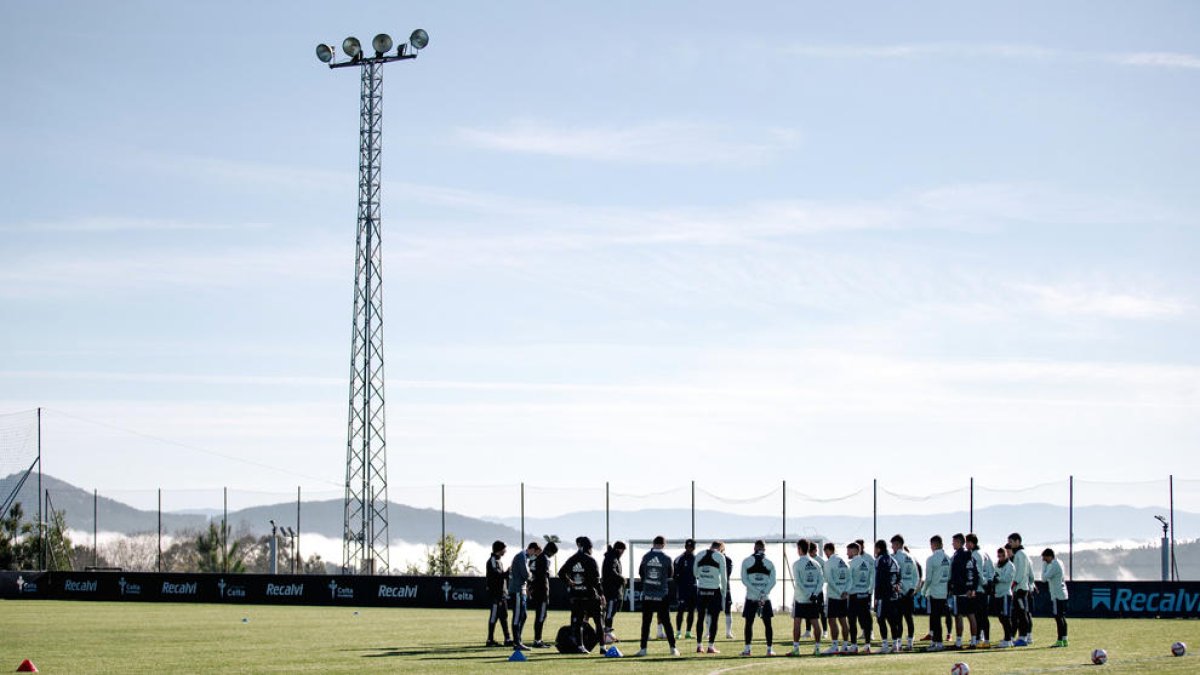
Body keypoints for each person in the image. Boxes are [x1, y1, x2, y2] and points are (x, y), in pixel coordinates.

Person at [558, 536, 605, 654]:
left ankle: (580, 646)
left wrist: (570, 582)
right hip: (591, 596)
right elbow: (596, 580)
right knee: (598, 622)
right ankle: (603, 647)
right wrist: (601, 594)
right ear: (589, 547)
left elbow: (561, 573)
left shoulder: (572, 559)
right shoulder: (591, 560)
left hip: (577, 596)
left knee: (578, 623)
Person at [635, 536, 680, 657]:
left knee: (646, 623)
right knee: (667, 622)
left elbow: (641, 572)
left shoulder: (646, 556)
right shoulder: (667, 558)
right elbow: (670, 574)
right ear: (664, 545)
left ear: (653, 543)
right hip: (662, 594)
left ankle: (643, 649)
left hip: (648, 594)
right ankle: (673, 648)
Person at [739, 540, 777, 656]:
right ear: (764, 549)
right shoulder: (770, 562)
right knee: (767, 624)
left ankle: (747, 650)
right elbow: (773, 581)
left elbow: (745, 580)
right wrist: (763, 593)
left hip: (751, 597)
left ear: (754, 548)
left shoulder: (746, 561)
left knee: (749, 623)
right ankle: (769, 650)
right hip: (765, 598)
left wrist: (756, 591)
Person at [791, 538, 825, 656]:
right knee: (815, 623)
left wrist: (809, 594)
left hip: (801, 599)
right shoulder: (816, 563)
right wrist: (814, 593)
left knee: (797, 623)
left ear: (799, 549)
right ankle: (817, 648)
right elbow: (821, 581)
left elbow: (799, 583)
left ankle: (796, 649)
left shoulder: (797, 564)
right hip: (813, 599)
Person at [694, 540, 729, 654]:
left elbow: (695, 573)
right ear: (721, 548)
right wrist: (724, 591)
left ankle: (699, 646)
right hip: (714, 590)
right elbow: (724, 577)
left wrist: (703, 578)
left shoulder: (699, 554)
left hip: (701, 590)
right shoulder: (720, 557)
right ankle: (710, 646)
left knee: (700, 618)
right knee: (714, 619)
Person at [948, 533, 979, 649]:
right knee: (971, 615)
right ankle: (974, 642)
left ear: (959, 542)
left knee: (958, 616)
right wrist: (973, 588)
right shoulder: (970, 556)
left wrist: (959, 588)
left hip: (960, 591)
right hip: (970, 591)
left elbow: (957, 575)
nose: (952, 544)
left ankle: (959, 642)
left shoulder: (958, 556)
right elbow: (976, 574)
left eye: (954, 542)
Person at [921, 534, 951, 652]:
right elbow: (949, 576)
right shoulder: (948, 558)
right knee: (937, 618)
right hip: (943, 592)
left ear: (934, 545)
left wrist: (923, 591)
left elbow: (928, 578)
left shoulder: (931, 559)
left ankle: (938, 643)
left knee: (935, 619)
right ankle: (935, 642)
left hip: (934, 592)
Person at [891, 536, 921, 651]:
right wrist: (913, 589)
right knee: (909, 618)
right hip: (910, 593)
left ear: (898, 544)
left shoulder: (895, 557)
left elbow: (896, 575)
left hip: (900, 592)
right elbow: (916, 575)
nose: (892, 547)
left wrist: (899, 588)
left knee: (898, 619)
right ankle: (910, 643)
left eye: (893, 545)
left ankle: (898, 643)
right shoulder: (911, 557)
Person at [823, 541, 852, 654]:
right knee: (843, 620)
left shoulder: (829, 562)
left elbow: (830, 580)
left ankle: (835, 645)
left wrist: (840, 591)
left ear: (828, 550)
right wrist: (846, 591)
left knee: (832, 620)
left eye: (826, 552)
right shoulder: (845, 561)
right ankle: (844, 645)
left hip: (834, 596)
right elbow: (850, 579)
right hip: (844, 596)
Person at [509, 541, 539, 650]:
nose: (534, 556)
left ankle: (518, 640)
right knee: (517, 616)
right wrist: (531, 575)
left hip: (522, 590)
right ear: (531, 549)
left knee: (523, 615)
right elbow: (526, 574)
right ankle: (517, 643)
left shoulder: (525, 557)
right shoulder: (521, 556)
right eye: (535, 553)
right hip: (517, 590)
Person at [873, 539, 902, 653]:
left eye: (875, 548)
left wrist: (877, 597)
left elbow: (880, 579)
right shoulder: (894, 560)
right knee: (892, 620)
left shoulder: (880, 560)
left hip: (883, 595)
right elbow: (899, 575)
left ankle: (885, 645)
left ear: (879, 548)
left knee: (881, 619)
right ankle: (895, 644)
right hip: (893, 595)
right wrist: (897, 585)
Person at [965, 533, 993, 648]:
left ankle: (979, 639)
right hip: (984, 589)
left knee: (978, 616)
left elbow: (977, 573)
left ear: (971, 543)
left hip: (979, 590)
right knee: (983, 616)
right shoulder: (985, 553)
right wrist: (989, 582)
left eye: (967, 542)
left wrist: (983, 584)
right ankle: (985, 639)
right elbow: (991, 570)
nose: (966, 545)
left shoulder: (975, 555)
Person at [528, 541, 558, 648]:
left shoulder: (536, 558)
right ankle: (537, 640)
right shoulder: (544, 558)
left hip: (537, 591)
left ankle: (538, 639)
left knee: (541, 615)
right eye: (553, 553)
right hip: (542, 592)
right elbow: (541, 577)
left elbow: (533, 573)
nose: (552, 555)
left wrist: (531, 587)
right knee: (541, 616)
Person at [1008, 532, 1035, 646]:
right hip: (1021, 588)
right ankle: (1026, 637)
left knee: (1021, 614)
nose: (1010, 544)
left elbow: (1020, 572)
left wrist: (1014, 583)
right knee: (1022, 614)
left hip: (1020, 589)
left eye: (1011, 542)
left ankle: (1023, 638)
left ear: (1018, 541)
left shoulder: (1020, 554)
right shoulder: (1021, 554)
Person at [846, 541, 873, 653]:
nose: (847, 553)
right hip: (865, 595)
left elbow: (849, 580)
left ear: (855, 550)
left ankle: (854, 645)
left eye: (848, 550)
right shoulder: (866, 563)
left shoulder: (851, 564)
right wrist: (868, 590)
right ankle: (867, 645)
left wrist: (846, 591)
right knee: (866, 620)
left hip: (854, 595)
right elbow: (871, 579)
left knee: (852, 621)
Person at [486, 540, 513, 647]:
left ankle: (507, 639)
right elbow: (497, 575)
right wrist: (507, 572)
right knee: (494, 616)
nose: (505, 551)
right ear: (499, 550)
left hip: (502, 594)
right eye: (504, 549)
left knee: (503, 616)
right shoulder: (493, 560)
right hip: (495, 595)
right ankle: (490, 640)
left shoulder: (498, 561)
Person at [601, 541, 627, 644]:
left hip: (615, 591)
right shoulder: (611, 558)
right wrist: (622, 578)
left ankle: (608, 633)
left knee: (611, 612)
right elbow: (611, 572)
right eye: (623, 550)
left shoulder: (614, 558)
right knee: (609, 613)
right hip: (611, 591)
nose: (623, 552)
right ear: (619, 549)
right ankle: (606, 634)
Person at [1042, 548, 1069, 648]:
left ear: (1049, 556)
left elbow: (1044, 578)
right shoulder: (1059, 562)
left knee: (1058, 618)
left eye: (1045, 559)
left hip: (1057, 595)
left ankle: (1059, 640)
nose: (1044, 561)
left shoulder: (1053, 565)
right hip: (1063, 593)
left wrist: (1044, 566)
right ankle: (1065, 639)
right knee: (1062, 617)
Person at [992, 546, 1016, 648]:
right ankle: (1007, 637)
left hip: (1006, 594)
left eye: (1002, 555)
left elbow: (1007, 578)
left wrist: (998, 579)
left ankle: (1009, 639)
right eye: (999, 556)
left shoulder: (1010, 566)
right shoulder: (997, 565)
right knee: (1001, 618)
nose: (1000, 557)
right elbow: (994, 575)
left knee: (1006, 617)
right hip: (998, 594)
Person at [673, 539, 697, 639]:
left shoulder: (696, 559)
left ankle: (688, 632)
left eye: (691, 547)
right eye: (688, 547)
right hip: (683, 589)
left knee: (691, 611)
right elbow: (674, 575)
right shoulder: (679, 559)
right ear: (685, 547)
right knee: (681, 610)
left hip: (693, 589)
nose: (689, 549)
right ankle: (678, 632)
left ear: (694, 548)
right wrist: (680, 584)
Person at [805, 540, 828, 638]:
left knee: (821, 611)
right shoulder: (805, 560)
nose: (810, 553)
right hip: (807, 590)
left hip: (818, 590)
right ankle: (808, 631)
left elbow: (825, 575)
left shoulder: (821, 561)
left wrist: (819, 585)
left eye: (812, 551)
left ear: (815, 550)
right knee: (807, 610)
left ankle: (825, 631)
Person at [721, 542, 735, 639]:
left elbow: (727, 574)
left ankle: (728, 632)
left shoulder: (728, 560)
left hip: (726, 588)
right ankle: (708, 632)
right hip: (714, 588)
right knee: (710, 610)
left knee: (728, 610)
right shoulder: (711, 558)